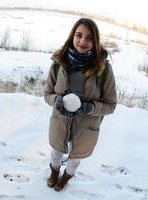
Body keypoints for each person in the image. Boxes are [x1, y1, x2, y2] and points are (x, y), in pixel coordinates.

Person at [43, 18, 117, 191]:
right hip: (60, 123)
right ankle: (54, 171)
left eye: (89, 38)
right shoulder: (58, 63)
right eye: (79, 35)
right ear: (72, 36)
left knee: (76, 158)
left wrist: (90, 108)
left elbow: (111, 105)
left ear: (95, 41)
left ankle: (66, 176)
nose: (83, 41)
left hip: (86, 128)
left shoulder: (103, 69)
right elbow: (47, 94)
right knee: (56, 152)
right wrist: (57, 101)